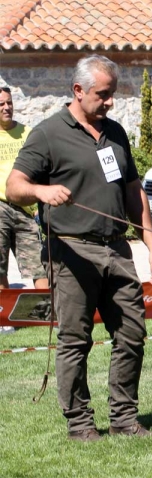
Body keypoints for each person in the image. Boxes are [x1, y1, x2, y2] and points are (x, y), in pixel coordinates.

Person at [6, 55, 152, 441]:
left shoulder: (115, 133)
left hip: (117, 250)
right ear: (78, 91)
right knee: (75, 342)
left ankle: (125, 420)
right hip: (71, 253)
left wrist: (151, 241)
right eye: (103, 95)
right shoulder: (47, 134)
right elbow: (14, 186)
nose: (110, 102)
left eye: (112, 94)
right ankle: (80, 424)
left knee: (132, 333)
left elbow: (132, 189)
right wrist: (41, 190)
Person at [0, 86, 48, 333]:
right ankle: (5, 320)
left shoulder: (27, 134)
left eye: (9, 103)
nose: (7, 107)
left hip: (25, 209)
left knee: (38, 265)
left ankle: (45, 316)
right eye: (1, 104)